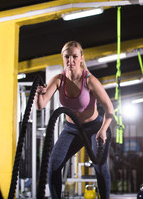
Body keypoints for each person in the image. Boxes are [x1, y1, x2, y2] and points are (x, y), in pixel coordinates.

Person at [35, 41, 114, 199]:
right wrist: (38, 93)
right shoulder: (58, 79)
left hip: (95, 129)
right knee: (53, 166)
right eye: (67, 57)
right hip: (71, 130)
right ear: (62, 58)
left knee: (99, 166)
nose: (70, 60)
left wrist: (103, 130)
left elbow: (110, 109)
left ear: (81, 59)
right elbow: (40, 105)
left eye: (74, 56)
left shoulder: (90, 81)